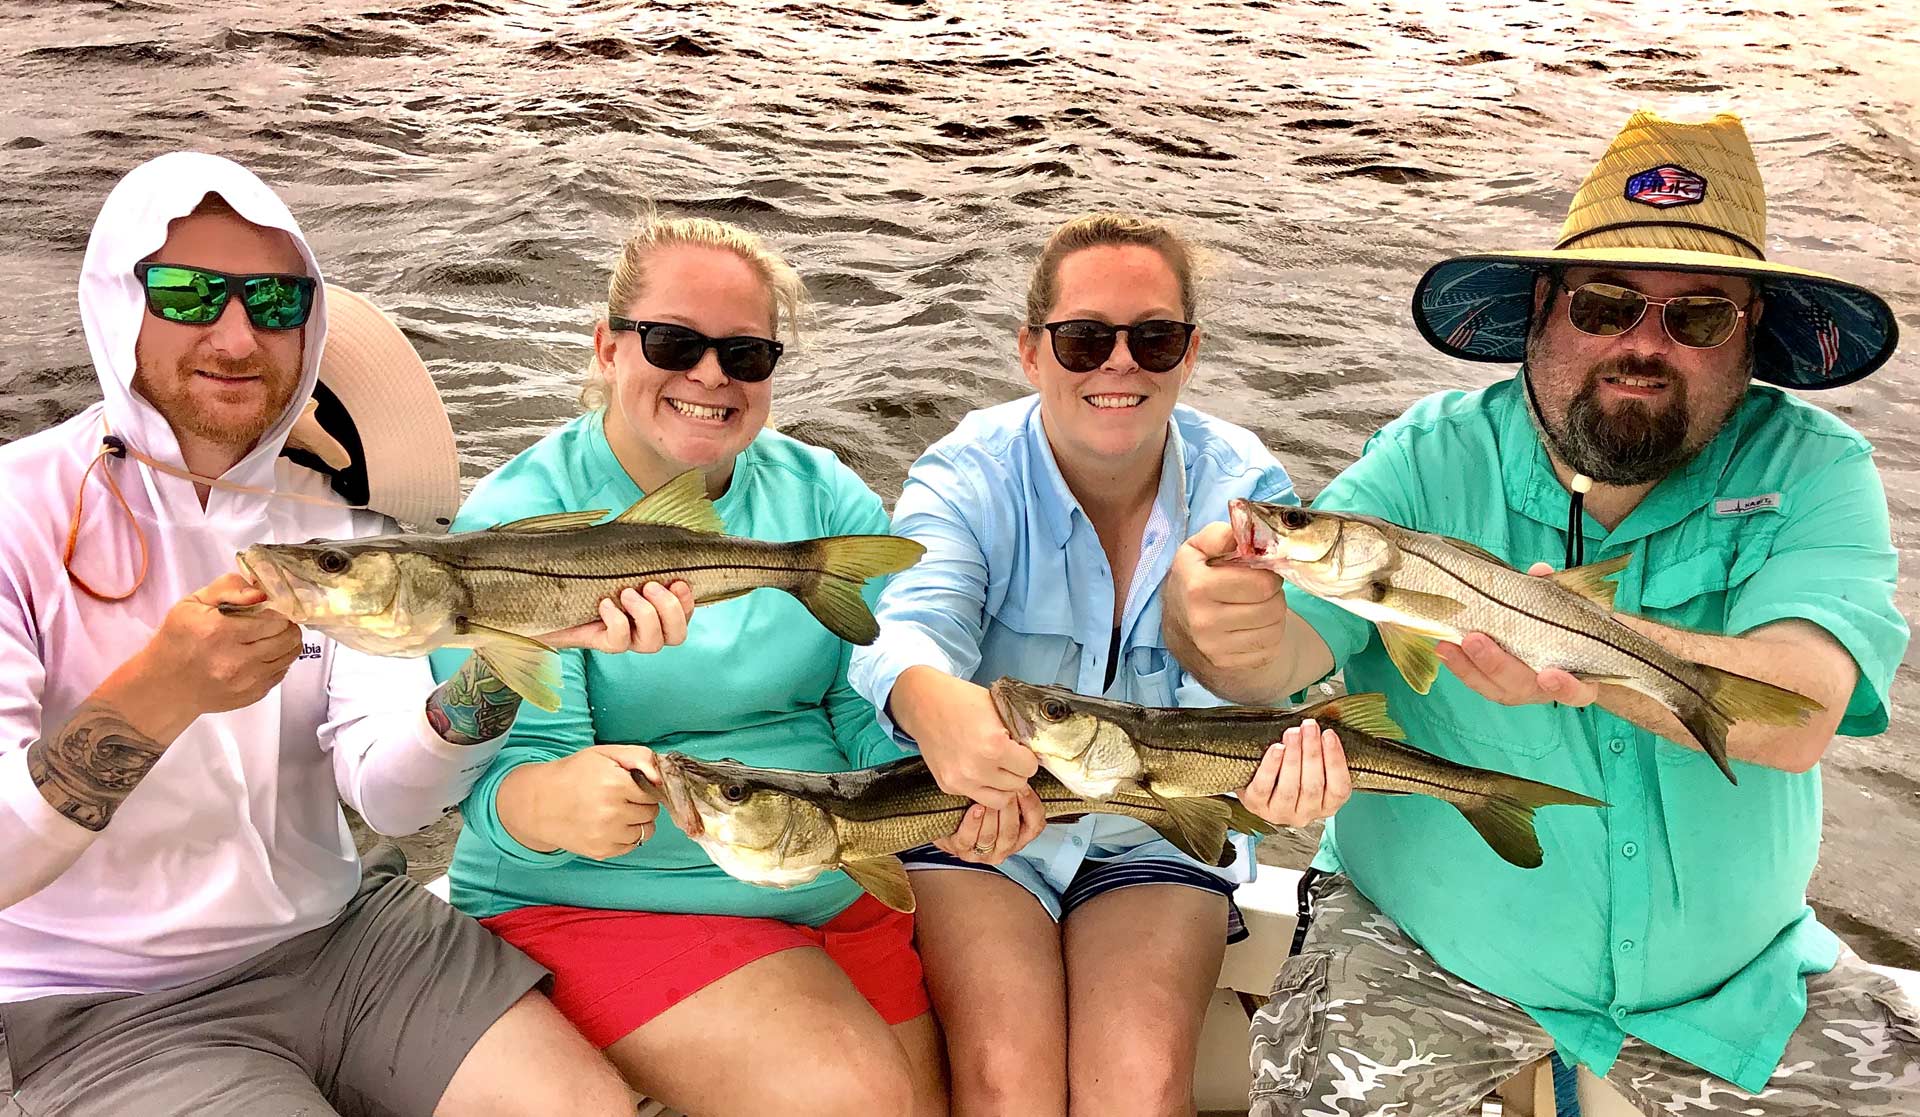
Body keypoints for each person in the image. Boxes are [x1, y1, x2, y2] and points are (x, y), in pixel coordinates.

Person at [1160, 109, 1920, 1115]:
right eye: (1604, 305)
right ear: (1542, 315)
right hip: (1419, 953)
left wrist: (1581, 653)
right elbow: (1282, 656)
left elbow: (1798, 712)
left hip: (1733, 987)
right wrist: (1216, 626)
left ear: (1751, 343)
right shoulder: (1424, 457)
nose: (1642, 345)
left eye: (1695, 318)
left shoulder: (1816, 469)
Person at [0, 153, 641, 1116]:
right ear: (114, 305)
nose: (235, 331)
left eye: (274, 298)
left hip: (351, 935)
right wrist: (162, 689)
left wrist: (512, 653)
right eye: (186, 291)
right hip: (109, 999)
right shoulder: (16, 514)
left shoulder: (338, 534)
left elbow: (389, 797)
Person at [435, 213, 946, 1117]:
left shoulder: (820, 495)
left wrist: (942, 767)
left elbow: (861, 700)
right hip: (605, 899)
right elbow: (488, 779)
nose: (711, 375)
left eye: (747, 355)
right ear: (607, 347)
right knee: (853, 1097)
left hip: (830, 863)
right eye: (675, 341)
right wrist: (559, 800)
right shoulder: (518, 522)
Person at [848, 213, 1352, 1117]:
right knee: (1007, 1081)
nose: (1119, 364)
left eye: (1152, 338)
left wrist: (1292, 764)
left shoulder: (1247, 488)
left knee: (1142, 1088)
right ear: (1031, 353)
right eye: (1084, 340)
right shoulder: (966, 475)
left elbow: (1285, 675)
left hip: (1161, 831)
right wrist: (936, 712)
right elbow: (908, 626)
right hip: (990, 829)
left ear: (1189, 353)